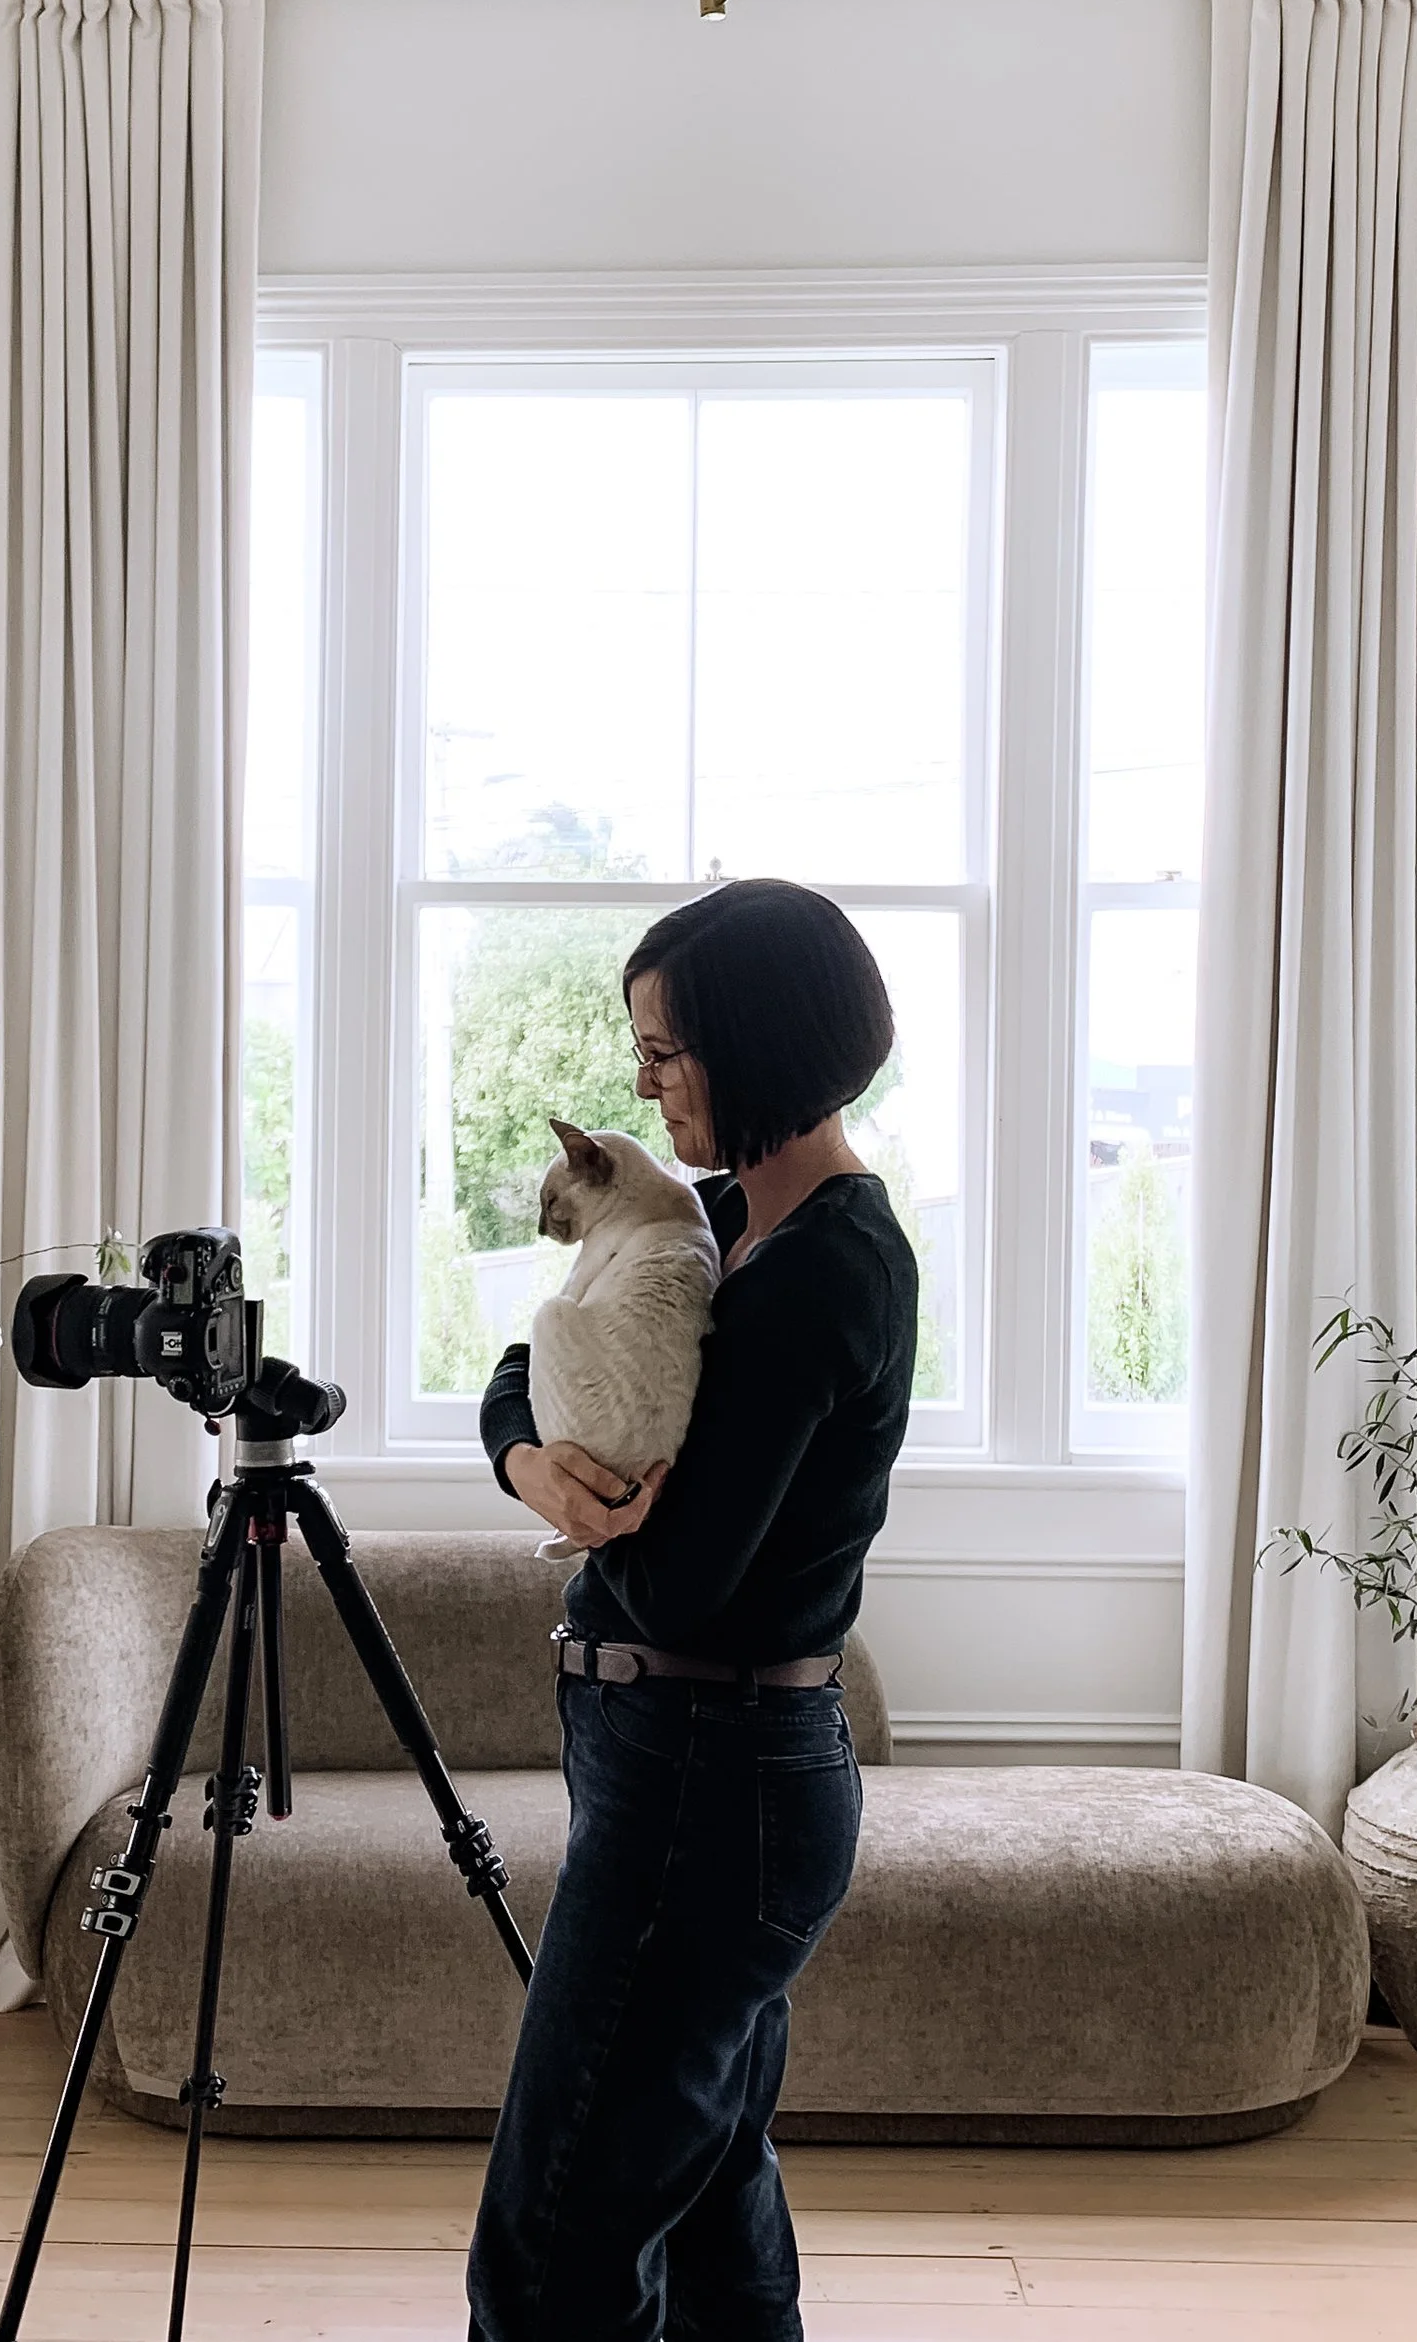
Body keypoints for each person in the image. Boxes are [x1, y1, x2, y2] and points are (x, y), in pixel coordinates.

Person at [466, 877, 920, 2342]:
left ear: (758, 1041)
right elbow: (512, 1372)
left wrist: (587, 1501)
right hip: (688, 1769)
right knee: (713, 2198)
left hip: (714, 1787)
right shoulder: (722, 1223)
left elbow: (678, 1574)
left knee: (551, 2239)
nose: (644, 1080)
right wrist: (541, 1463)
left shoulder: (822, 1275)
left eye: (666, 1050)